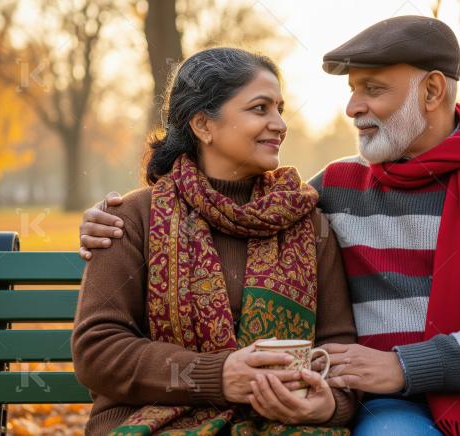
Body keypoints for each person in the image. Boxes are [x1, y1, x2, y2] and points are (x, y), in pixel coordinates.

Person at [79, 16, 460, 436]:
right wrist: (111, 221)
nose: (354, 108)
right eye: (353, 90)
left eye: (373, 89)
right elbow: (238, 211)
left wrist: (404, 368)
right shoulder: (331, 191)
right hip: (394, 408)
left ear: (433, 92)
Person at [72, 47, 357, 435]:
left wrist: (330, 406)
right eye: (260, 108)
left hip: (284, 425)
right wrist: (218, 376)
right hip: (149, 420)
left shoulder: (308, 223)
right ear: (204, 125)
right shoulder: (131, 218)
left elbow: (338, 350)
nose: (279, 123)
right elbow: (98, 351)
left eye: (280, 108)